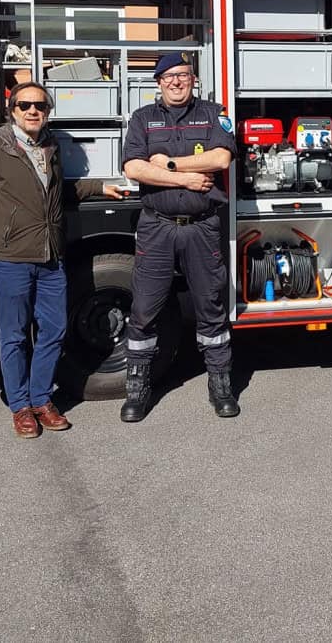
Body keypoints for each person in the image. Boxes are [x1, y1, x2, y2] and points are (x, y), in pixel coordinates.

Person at [0, 80, 124, 438]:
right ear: (13, 111)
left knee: (54, 330)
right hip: (10, 258)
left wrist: (98, 187)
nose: (33, 111)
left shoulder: (49, 146)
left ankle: (41, 400)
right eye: (25, 105)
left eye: (40, 105)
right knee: (14, 335)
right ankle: (20, 407)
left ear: (47, 111)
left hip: (51, 258)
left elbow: (57, 190)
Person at [120, 51, 239, 421]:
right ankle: (137, 391)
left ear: (193, 80)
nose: (176, 81)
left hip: (202, 227)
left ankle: (221, 387)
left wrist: (170, 163)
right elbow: (133, 167)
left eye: (183, 75)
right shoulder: (143, 119)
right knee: (144, 311)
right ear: (158, 82)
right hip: (157, 227)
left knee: (211, 308)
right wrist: (185, 178)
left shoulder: (213, 113)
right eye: (169, 76)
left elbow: (221, 159)